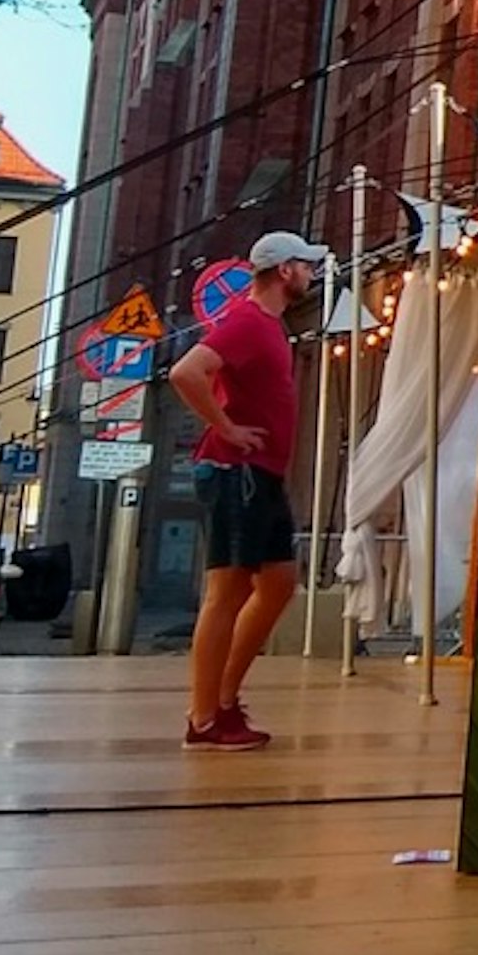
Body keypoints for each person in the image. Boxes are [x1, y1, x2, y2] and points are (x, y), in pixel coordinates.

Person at [166, 233, 325, 750]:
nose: (312, 273)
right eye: (306, 265)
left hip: (260, 473)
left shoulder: (268, 326)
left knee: (278, 582)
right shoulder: (249, 322)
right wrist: (227, 428)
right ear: (285, 271)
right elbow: (186, 372)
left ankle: (224, 702)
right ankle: (206, 716)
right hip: (239, 471)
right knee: (228, 592)